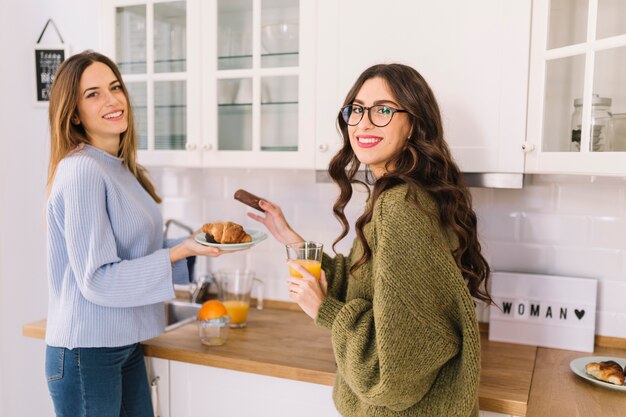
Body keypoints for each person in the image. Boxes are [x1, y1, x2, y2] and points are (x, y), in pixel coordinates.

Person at [249, 63, 492, 417]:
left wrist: (324, 310)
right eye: (357, 109)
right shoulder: (406, 194)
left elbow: (393, 374)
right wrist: (294, 240)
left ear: (413, 124)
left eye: (383, 110)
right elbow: (368, 284)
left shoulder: (399, 207)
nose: (363, 122)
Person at [44, 50, 233, 417]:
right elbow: (97, 279)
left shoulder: (119, 168)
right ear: (74, 114)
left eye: (115, 87)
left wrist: (195, 245)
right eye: (93, 94)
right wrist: (178, 254)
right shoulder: (81, 171)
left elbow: (132, 253)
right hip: (87, 353)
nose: (113, 100)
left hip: (125, 343)